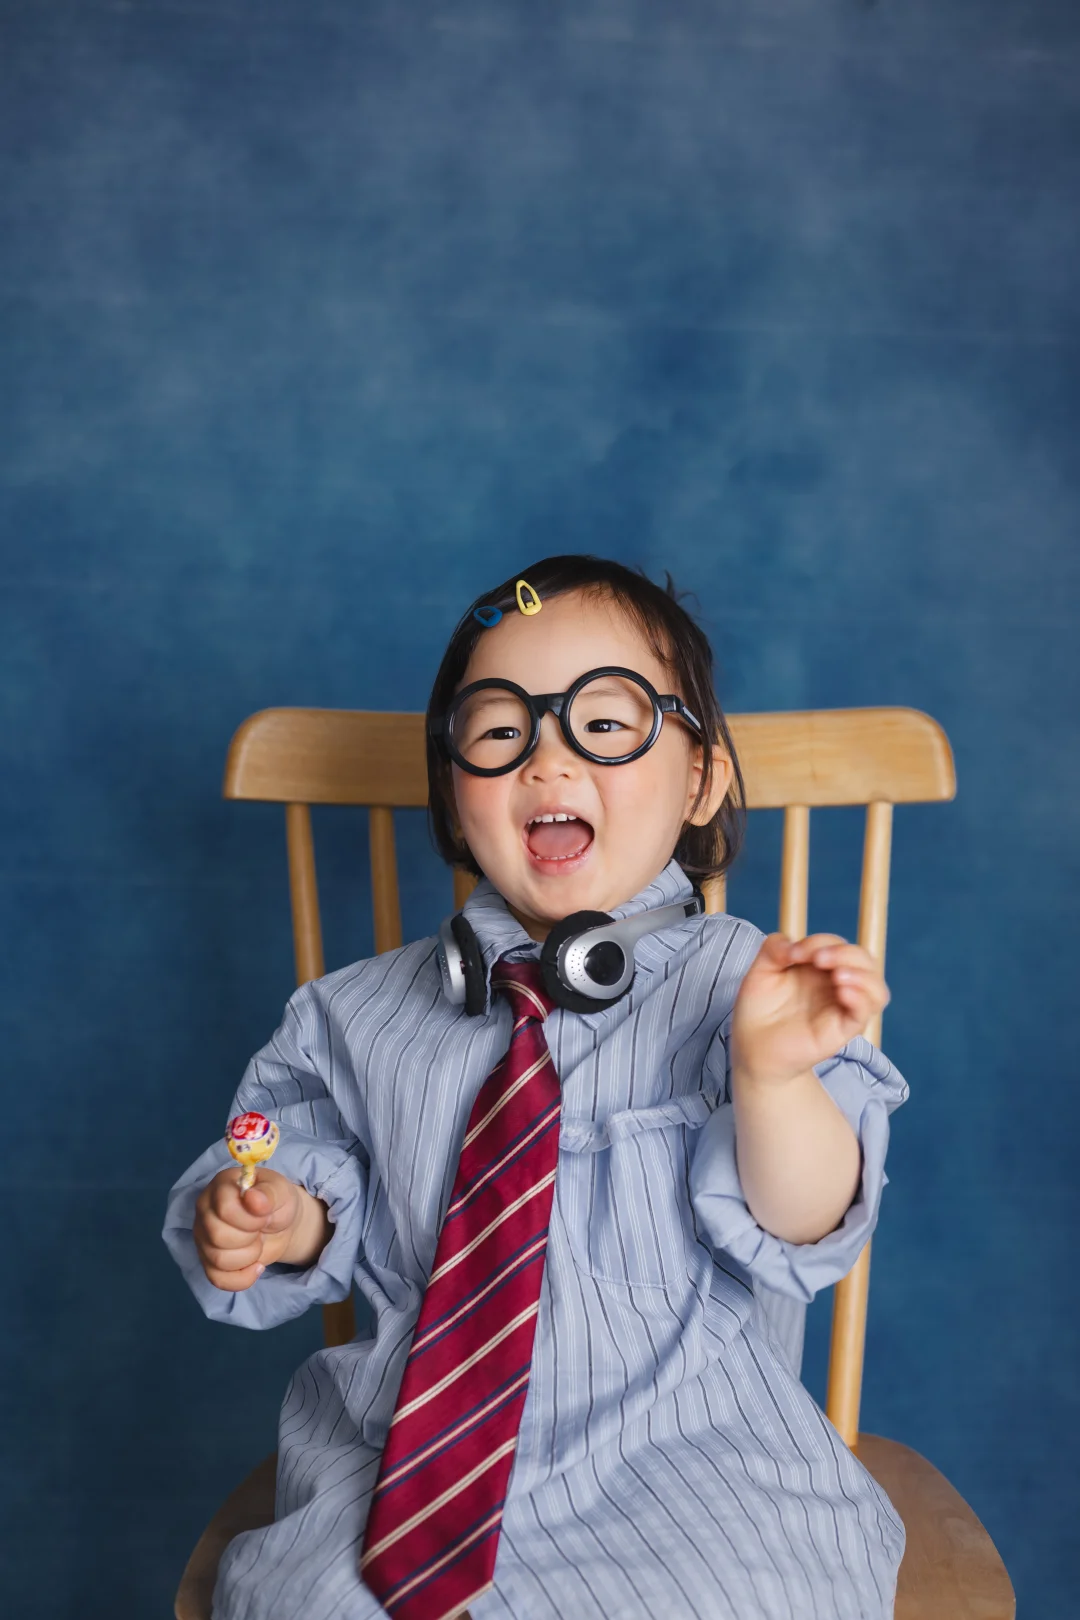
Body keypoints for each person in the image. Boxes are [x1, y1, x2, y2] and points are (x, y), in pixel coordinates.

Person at [164, 554, 908, 1620]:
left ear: (702, 778)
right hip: (398, 1468)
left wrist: (773, 1079)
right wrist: (274, 1217)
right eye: (500, 730)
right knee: (301, 1605)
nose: (548, 759)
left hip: (695, 1470)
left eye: (606, 724)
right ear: (451, 790)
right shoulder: (350, 1016)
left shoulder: (754, 992)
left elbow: (807, 1222)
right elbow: (290, 1159)